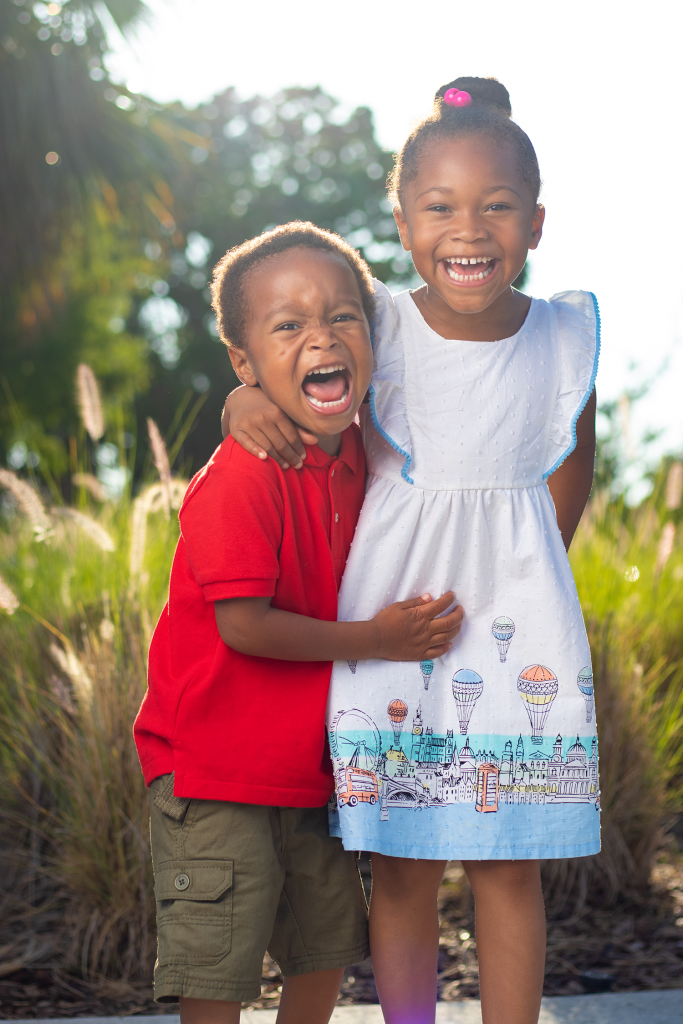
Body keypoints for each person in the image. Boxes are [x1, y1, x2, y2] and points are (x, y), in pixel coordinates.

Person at [221, 79, 600, 1024]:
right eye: (439, 207)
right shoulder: (376, 323)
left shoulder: (562, 337)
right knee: (401, 865)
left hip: (516, 636)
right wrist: (241, 403)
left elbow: (567, 478)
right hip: (392, 638)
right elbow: (297, 364)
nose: (467, 229)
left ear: (536, 221)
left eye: (496, 206)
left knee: (508, 866)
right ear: (401, 221)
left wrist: (517, 580)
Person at [134, 222, 463, 1024]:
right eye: (288, 325)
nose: (321, 335)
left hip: (314, 770)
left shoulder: (366, 453)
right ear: (241, 362)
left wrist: (251, 390)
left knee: (322, 954)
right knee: (220, 967)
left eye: (342, 316)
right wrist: (377, 641)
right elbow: (245, 625)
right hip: (214, 770)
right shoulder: (241, 477)